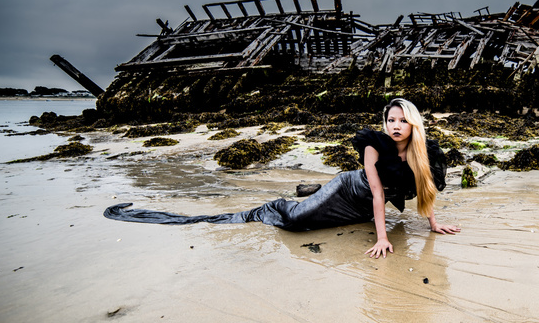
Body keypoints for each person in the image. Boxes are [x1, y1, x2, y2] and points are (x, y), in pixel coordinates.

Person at [104, 98, 460, 258]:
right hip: (348, 191)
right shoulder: (373, 145)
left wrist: (433, 223)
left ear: (413, 122)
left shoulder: (426, 151)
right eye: (390, 120)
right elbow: (379, 193)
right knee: (292, 222)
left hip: (363, 210)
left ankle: (308, 197)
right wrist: (383, 238)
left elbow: (426, 185)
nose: (395, 126)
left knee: (311, 222)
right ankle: (276, 205)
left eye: (401, 120)